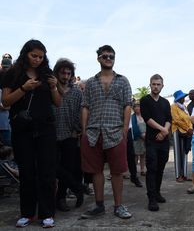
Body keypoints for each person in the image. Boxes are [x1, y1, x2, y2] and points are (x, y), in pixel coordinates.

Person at [2, 39, 61, 228]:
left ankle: (46, 213)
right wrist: (24, 88)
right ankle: (27, 213)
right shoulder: (13, 73)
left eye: (41, 57)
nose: (37, 60)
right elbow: (6, 101)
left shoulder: (47, 73)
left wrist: (53, 87)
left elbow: (58, 103)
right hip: (22, 129)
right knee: (27, 171)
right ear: (25, 54)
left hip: (45, 128)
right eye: (33, 55)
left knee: (47, 171)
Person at [80, 45, 132, 219]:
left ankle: (118, 206)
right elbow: (85, 107)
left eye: (111, 56)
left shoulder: (123, 81)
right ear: (99, 59)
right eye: (105, 56)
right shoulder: (90, 83)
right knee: (96, 171)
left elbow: (127, 106)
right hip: (93, 132)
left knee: (117, 172)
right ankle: (99, 205)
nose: (108, 59)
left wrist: (125, 129)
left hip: (116, 132)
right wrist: (84, 130)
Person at [52, 58, 84, 212]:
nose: (65, 76)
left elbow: (80, 112)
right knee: (51, 166)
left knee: (67, 167)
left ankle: (61, 198)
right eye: (62, 72)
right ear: (57, 73)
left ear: (72, 75)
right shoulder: (50, 89)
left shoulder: (77, 93)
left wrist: (77, 129)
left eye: (68, 73)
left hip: (70, 134)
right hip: (51, 134)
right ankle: (77, 187)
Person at [140, 74, 171, 212]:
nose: (156, 86)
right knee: (152, 169)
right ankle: (151, 198)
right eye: (153, 84)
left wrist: (165, 131)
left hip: (164, 141)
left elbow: (169, 119)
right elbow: (147, 118)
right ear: (150, 85)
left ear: (162, 86)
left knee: (160, 168)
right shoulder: (145, 100)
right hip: (152, 140)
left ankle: (157, 193)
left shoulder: (165, 102)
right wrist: (162, 129)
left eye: (158, 84)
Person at [171, 90, 193, 182]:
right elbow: (176, 120)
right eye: (182, 97)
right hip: (177, 131)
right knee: (177, 153)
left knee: (184, 152)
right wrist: (188, 129)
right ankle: (178, 176)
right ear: (179, 98)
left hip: (186, 132)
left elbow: (189, 119)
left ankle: (184, 174)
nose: (184, 98)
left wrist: (190, 128)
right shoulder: (174, 107)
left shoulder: (184, 107)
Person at [131, 101, 146, 177]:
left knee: (143, 154)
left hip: (145, 139)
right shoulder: (132, 117)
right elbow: (133, 128)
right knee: (136, 155)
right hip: (137, 139)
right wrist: (141, 135)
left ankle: (142, 170)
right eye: (135, 107)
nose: (137, 108)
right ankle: (134, 171)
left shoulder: (144, 116)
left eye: (138, 106)